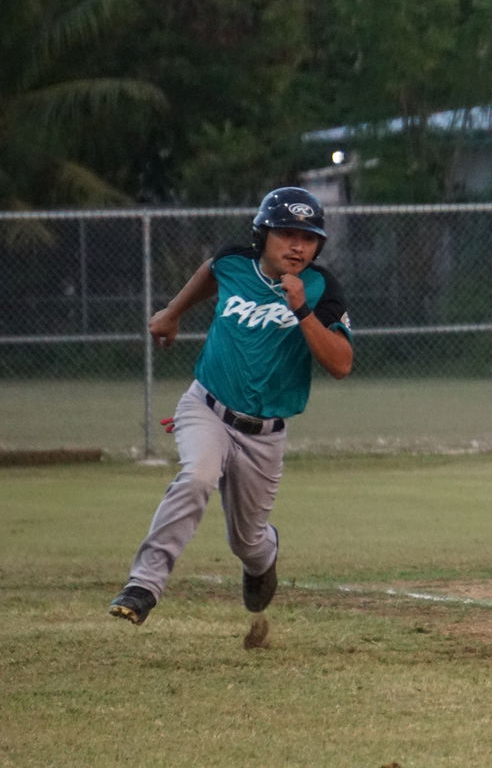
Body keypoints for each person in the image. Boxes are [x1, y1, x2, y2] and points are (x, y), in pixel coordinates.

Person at [109, 186, 353, 648]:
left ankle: (264, 558)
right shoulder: (234, 262)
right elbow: (211, 271)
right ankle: (144, 584)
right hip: (206, 406)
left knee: (247, 542)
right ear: (262, 235)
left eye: (308, 236)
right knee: (197, 476)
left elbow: (340, 365)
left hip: (265, 433)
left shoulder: (321, 289)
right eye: (286, 233)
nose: (298, 245)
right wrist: (172, 312)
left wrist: (301, 308)